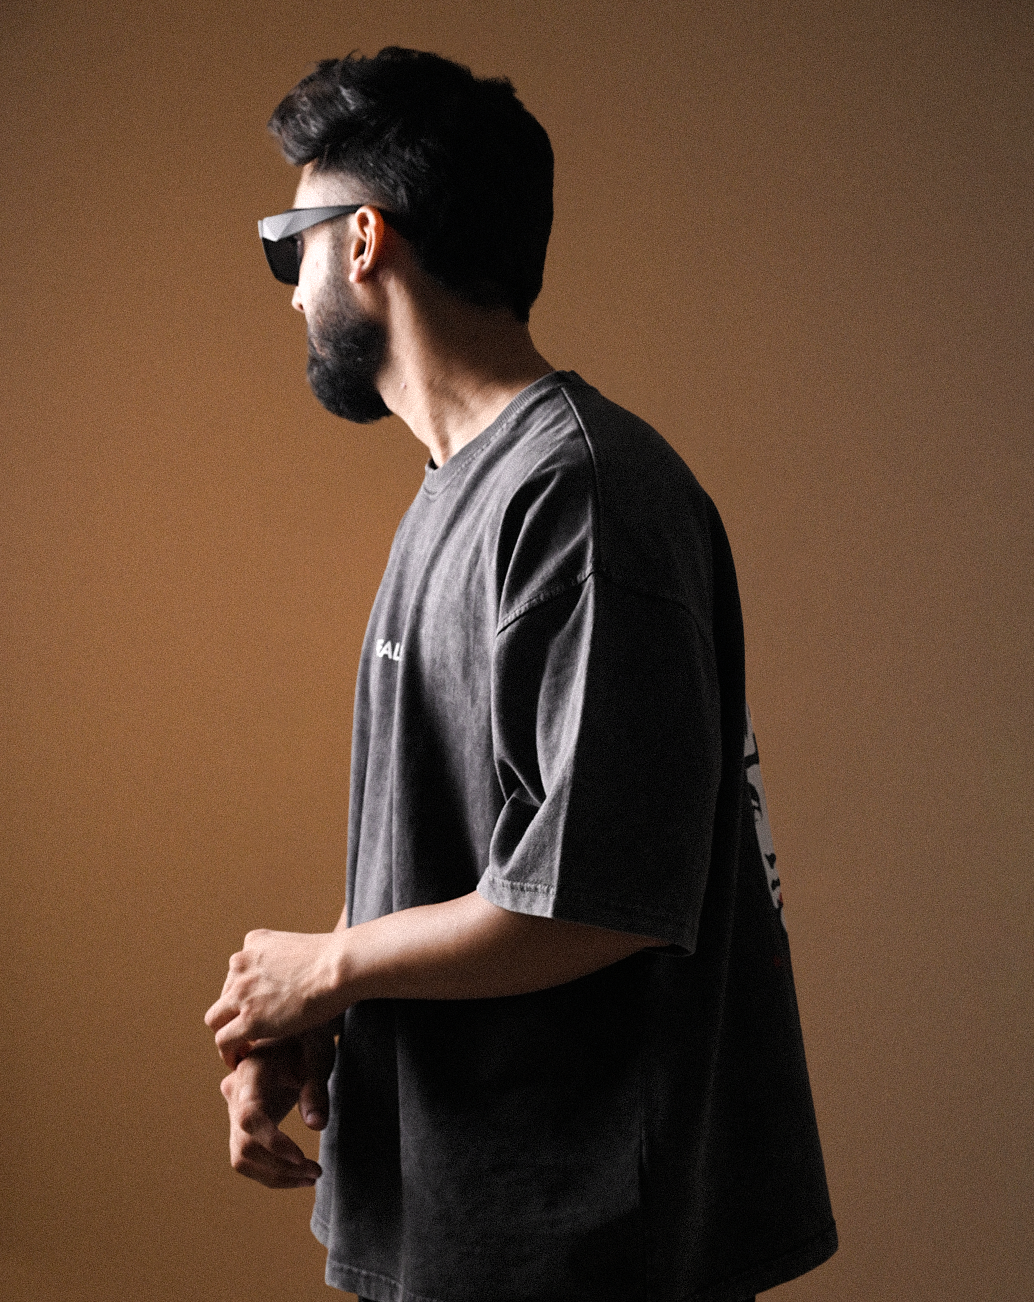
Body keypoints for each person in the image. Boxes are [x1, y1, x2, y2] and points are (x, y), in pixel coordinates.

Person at [205, 47, 837, 1302]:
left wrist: (325, 967)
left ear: (364, 239)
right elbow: (467, 853)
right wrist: (321, 1013)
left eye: (289, 247)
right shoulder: (462, 493)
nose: (289, 294)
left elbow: (598, 895)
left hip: (581, 1246)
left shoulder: (581, 498)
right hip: (468, 1218)